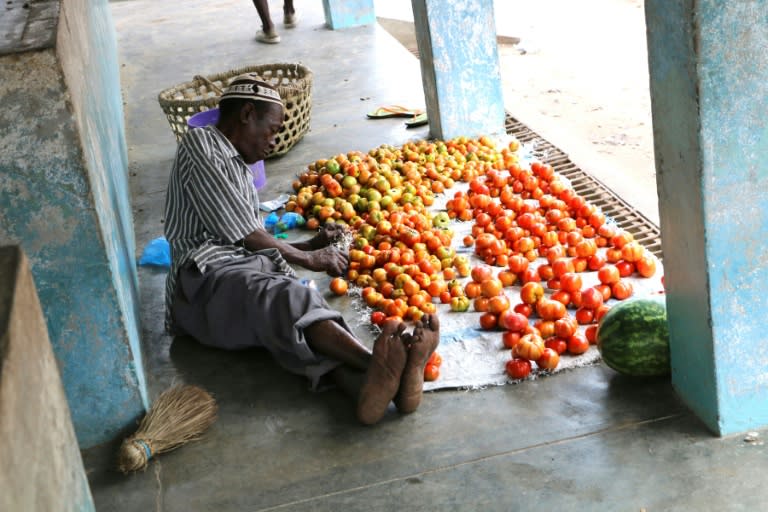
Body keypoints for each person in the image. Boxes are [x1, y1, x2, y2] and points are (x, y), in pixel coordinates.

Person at [164, 74, 439, 425]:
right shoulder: (201, 144)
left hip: (234, 273)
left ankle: (370, 390)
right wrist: (309, 257)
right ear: (247, 113)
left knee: (297, 323)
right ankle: (378, 364)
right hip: (200, 287)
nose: (273, 140)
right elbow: (246, 235)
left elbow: (247, 238)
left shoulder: (236, 164)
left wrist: (309, 244)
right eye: (271, 129)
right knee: (286, 298)